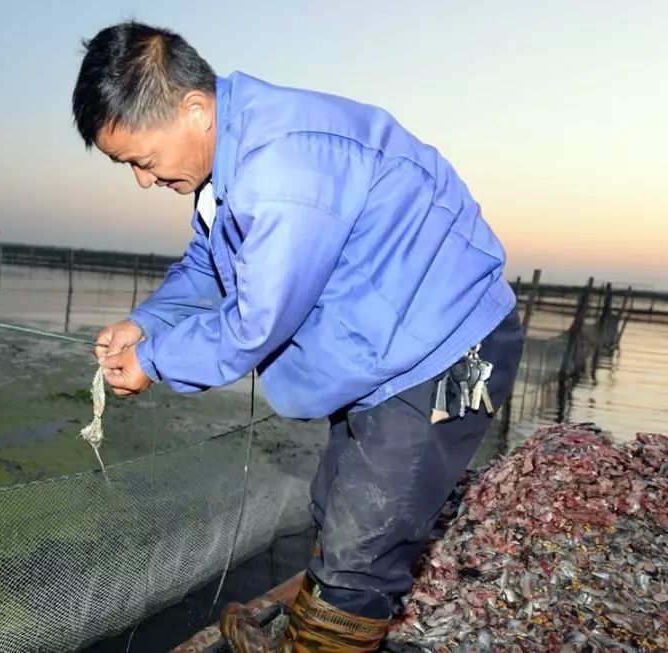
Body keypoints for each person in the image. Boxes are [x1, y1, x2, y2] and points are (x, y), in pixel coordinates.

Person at [72, 21, 524, 653]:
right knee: (335, 506)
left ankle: (330, 632)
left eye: (141, 161)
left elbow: (256, 321)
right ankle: (327, 622)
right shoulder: (228, 159)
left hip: (448, 352)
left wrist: (152, 361)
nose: (143, 181)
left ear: (194, 109)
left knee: (363, 545)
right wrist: (148, 321)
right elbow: (207, 266)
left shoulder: (280, 166)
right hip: (383, 348)